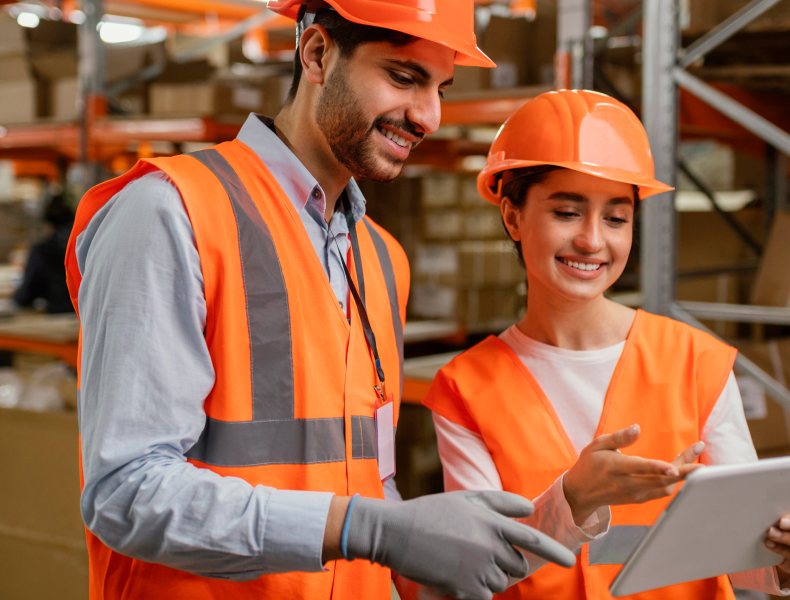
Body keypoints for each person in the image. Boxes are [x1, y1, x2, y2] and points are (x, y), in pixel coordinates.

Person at [63, 2, 575, 600]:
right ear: (316, 54)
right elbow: (125, 492)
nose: (429, 116)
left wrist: (424, 546)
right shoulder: (170, 214)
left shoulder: (382, 262)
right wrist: (368, 529)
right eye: (403, 78)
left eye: (440, 88)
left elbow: (363, 480)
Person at [422, 90, 790, 600]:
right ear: (512, 217)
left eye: (616, 218)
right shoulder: (465, 389)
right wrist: (573, 500)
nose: (592, 241)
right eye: (566, 212)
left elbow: (745, 561)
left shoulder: (696, 362)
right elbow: (474, 570)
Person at [14, 195, 76, 314]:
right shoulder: (86, 245)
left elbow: (25, 296)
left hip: (59, 320)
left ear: (48, 225)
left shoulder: (43, 251)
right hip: (86, 321)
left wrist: (15, 295)